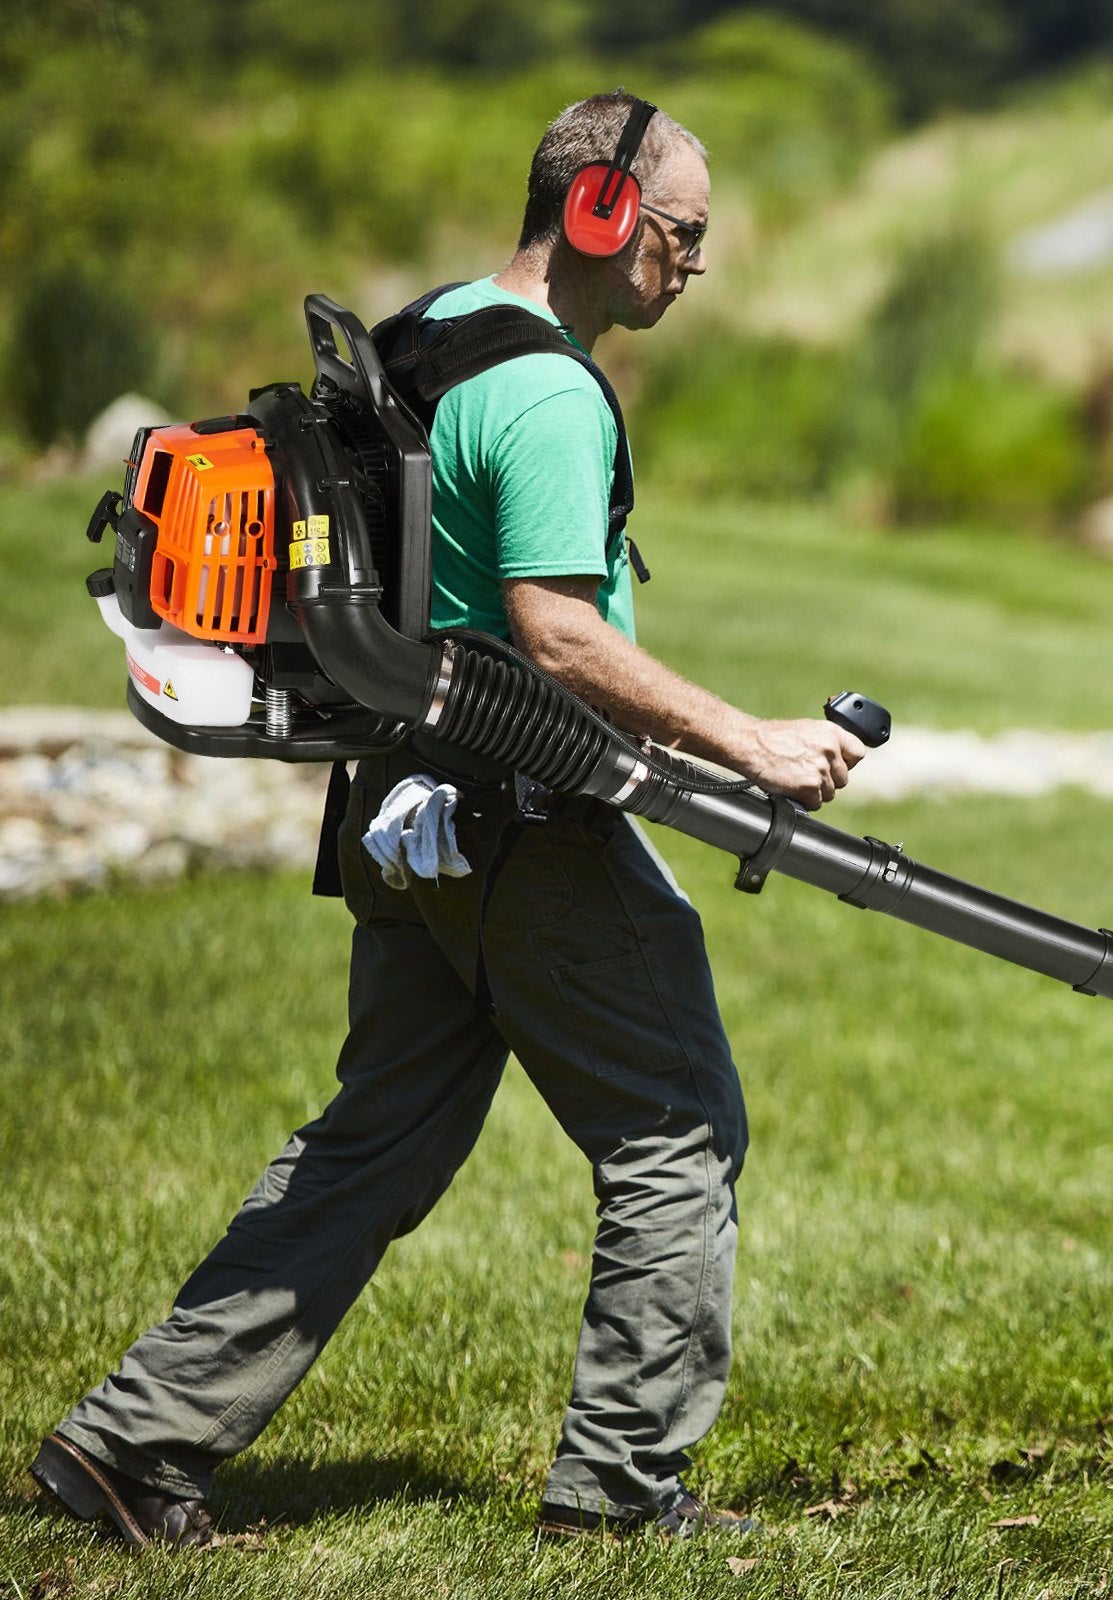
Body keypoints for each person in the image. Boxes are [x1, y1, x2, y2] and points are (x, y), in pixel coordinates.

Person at [32, 89, 865, 1547]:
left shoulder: (429, 329)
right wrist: (751, 741)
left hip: (399, 811)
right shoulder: (549, 396)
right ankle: (622, 1495)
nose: (696, 263)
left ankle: (132, 1443)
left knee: (378, 1141)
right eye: (684, 233)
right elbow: (557, 633)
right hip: (519, 815)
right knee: (677, 1131)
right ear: (604, 212)